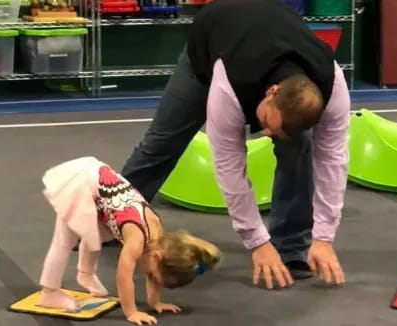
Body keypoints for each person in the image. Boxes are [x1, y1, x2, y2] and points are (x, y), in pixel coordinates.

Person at [121, 0, 349, 289]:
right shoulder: (228, 85)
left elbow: (333, 161)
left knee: (299, 149)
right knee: (162, 142)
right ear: (271, 92)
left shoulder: (332, 88)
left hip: (269, 39)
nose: (265, 133)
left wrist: (324, 237)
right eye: (268, 122)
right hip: (212, 48)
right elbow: (229, 164)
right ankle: (113, 218)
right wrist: (256, 242)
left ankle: (291, 247)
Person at [38, 157, 221, 325]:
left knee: (92, 233)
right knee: (64, 240)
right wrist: (131, 312)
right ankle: (49, 292)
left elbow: (154, 273)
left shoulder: (159, 240)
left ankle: (85, 274)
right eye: (151, 273)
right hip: (82, 182)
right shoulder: (136, 239)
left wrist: (155, 302)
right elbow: (123, 277)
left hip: (101, 189)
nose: (146, 274)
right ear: (157, 256)